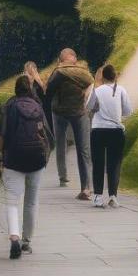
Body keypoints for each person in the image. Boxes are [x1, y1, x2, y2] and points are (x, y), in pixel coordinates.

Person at [0, 75, 52, 259]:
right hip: (36, 159)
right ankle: (26, 241)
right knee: (31, 201)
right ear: (30, 88)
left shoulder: (10, 107)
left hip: (14, 158)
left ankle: (14, 237)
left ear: (15, 89)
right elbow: (46, 133)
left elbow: (2, 135)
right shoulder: (37, 106)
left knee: (12, 201)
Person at [45, 48, 94, 198]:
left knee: (60, 143)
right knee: (84, 149)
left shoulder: (58, 72)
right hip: (80, 112)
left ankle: (63, 175)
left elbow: (49, 92)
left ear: (61, 60)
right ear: (74, 59)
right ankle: (86, 187)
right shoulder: (84, 72)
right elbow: (91, 87)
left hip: (59, 112)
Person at [87, 64, 133, 208]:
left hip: (98, 130)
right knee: (114, 164)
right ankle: (113, 195)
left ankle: (98, 197)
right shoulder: (121, 91)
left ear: (103, 76)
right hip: (116, 130)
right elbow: (128, 111)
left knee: (98, 163)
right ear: (115, 76)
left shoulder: (97, 90)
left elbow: (89, 108)